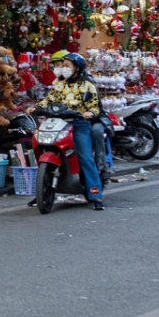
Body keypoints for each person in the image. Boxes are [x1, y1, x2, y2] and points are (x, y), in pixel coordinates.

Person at [38, 51, 104, 209]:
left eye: (67, 66)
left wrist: (89, 113)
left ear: (77, 68)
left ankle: (96, 195)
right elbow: (48, 100)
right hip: (59, 124)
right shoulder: (59, 84)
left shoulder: (87, 86)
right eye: (63, 65)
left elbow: (95, 107)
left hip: (79, 126)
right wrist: (34, 107)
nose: (64, 69)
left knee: (85, 158)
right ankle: (41, 191)